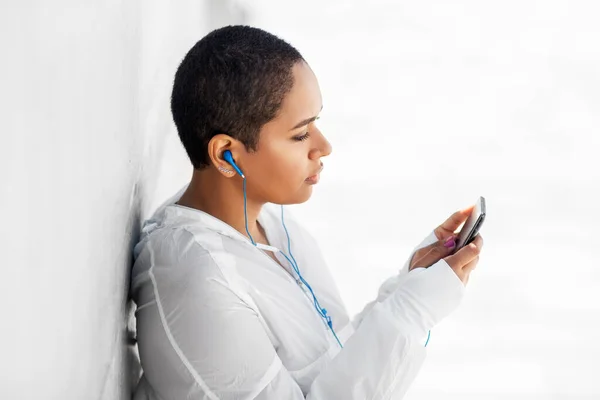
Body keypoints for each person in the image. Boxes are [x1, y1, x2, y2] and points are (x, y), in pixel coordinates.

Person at [130, 25, 484, 400]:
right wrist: (412, 312)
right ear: (225, 155)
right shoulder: (195, 276)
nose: (324, 146)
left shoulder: (274, 226)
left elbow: (331, 361)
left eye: (317, 123)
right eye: (301, 134)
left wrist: (407, 285)